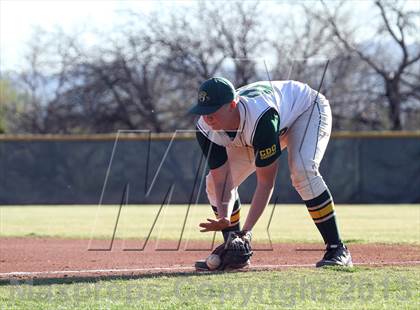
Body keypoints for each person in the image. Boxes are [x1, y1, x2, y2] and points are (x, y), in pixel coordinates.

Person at [188, 77, 352, 270]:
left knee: (302, 171)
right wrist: (225, 219)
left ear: (232, 105)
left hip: (306, 111)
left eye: (213, 110)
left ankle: (337, 249)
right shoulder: (205, 128)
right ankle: (234, 250)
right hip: (257, 130)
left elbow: (266, 183)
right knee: (212, 185)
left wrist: (247, 231)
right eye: (203, 111)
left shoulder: (260, 117)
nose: (207, 117)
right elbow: (223, 180)